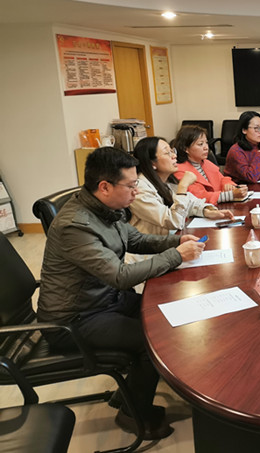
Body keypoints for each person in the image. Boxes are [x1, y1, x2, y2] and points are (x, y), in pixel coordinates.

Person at [37, 147, 205, 439]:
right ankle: (132, 413)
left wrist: (175, 242)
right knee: (152, 342)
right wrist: (176, 255)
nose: (136, 192)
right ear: (104, 187)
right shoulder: (74, 226)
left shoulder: (105, 210)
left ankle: (130, 391)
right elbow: (119, 275)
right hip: (74, 319)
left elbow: (136, 239)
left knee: (166, 315)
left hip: (103, 300)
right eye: (131, 185)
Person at [129, 137, 235, 236]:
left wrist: (206, 211)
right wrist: (183, 187)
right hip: (151, 249)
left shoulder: (166, 181)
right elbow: (173, 221)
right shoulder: (140, 190)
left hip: (169, 241)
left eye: (172, 151)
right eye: (167, 153)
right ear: (152, 163)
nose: (174, 156)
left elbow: (191, 203)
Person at [172, 125, 248, 205]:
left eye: (206, 143)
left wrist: (229, 185)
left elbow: (222, 178)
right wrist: (231, 195)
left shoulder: (206, 162)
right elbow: (200, 197)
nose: (206, 147)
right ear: (185, 148)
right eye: (200, 144)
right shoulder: (180, 171)